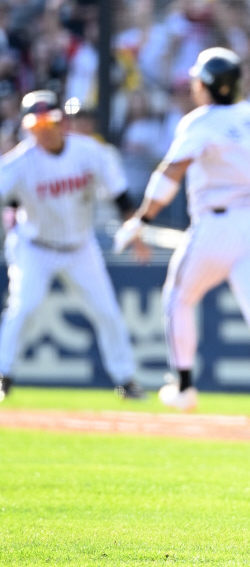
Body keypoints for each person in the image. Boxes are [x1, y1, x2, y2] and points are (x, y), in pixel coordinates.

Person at [113, 47, 250, 412]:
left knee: (177, 299)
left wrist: (141, 219)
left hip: (216, 223)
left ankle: (183, 387)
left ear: (208, 85)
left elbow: (171, 172)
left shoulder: (200, 121)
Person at [0, 90, 147, 402]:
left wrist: (133, 230)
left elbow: (120, 195)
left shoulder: (89, 152)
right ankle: (3, 376)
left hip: (80, 247)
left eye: (49, 122)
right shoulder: (18, 164)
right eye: (36, 125)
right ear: (28, 128)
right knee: (23, 308)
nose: (44, 130)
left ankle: (126, 381)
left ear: (61, 121)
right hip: (34, 247)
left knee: (107, 312)